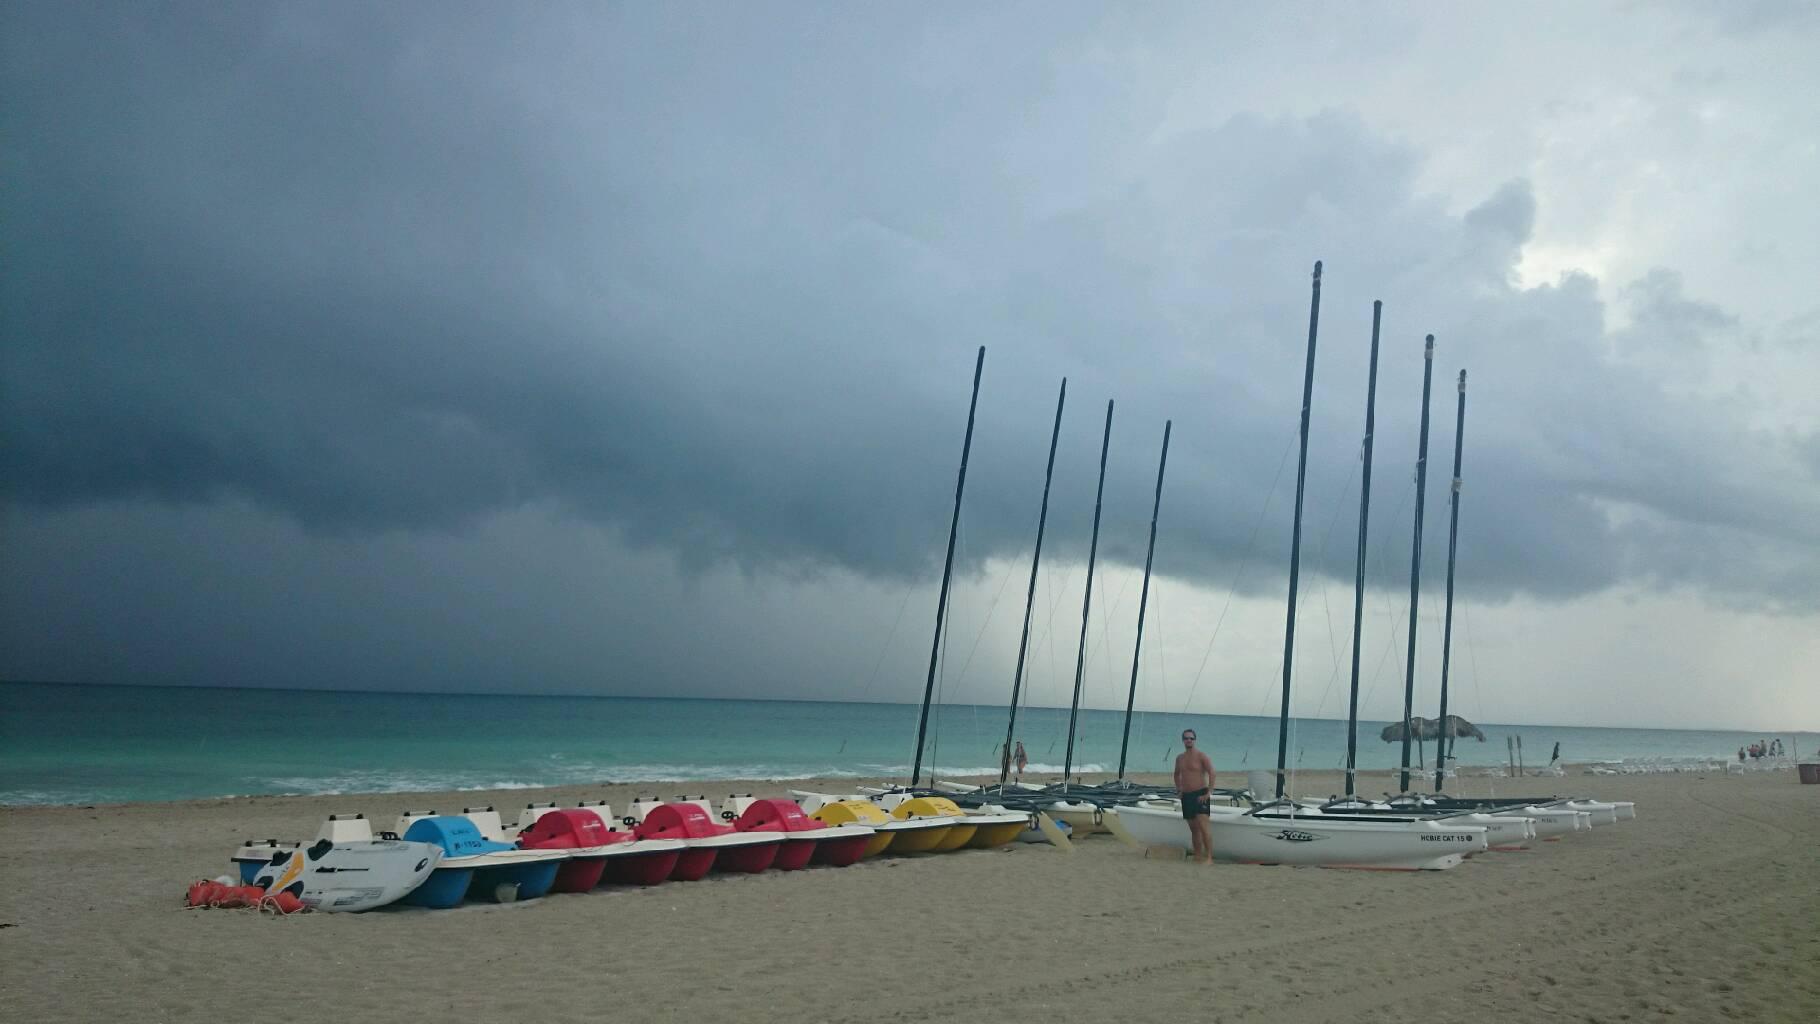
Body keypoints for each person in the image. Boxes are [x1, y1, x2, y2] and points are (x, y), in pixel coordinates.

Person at [1174, 728, 1216, 865]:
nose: (1189, 740)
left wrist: (1209, 792)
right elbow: (1176, 774)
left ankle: (1209, 857)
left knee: (1204, 827)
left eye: (1191, 738)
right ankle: (1198, 855)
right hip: (1186, 796)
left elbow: (1212, 773)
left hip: (1200, 795)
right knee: (1193, 829)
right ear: (1183, 740)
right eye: (1186, 738)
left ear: (1195, 740)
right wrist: (1179, 789)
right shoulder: (1180, 758)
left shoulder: (1201, 756)